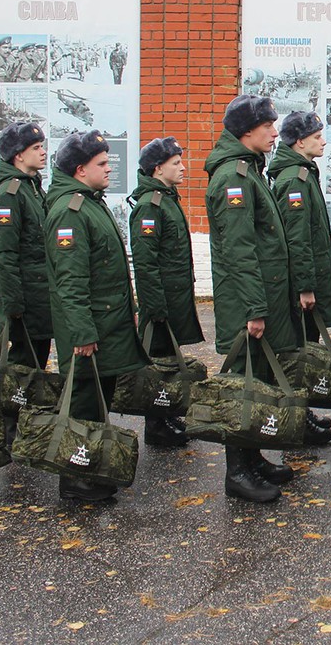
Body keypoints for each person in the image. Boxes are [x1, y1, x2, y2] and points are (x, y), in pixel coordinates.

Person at [206, 95, 328, 504]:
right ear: (246, 132)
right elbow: (239, 251)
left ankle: (253, 458)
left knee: (256, 381)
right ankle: (237, 472)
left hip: (263, 297)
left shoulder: (250, 170)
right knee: (242, 384)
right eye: (268, 127)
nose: (276, 133)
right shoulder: (234, 178)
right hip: (247, 303)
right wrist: (254, 310)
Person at [44, 130, 147, 503]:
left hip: (105, 322)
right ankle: (75, 479)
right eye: (102, 164)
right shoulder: (70, 211)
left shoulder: (89, 203)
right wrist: (82, 332)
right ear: (79, 169)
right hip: (89, 328)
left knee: (97, 396)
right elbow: (70, 281)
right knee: (84, 400)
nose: (109, 169)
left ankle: (89, 469)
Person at [268, 110, 331, 432]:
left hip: (308, 281)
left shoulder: (303, 174)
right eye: (316, 136)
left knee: (305, 347)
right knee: (299, 351)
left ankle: (303, 413)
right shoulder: (294, 181)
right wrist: (305, 287)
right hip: (301, 288)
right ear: (300, 142)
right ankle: (297, 420)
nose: (323, 141)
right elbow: (297, 239)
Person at [129, 136, 205, 448]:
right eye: (176, 163)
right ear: (158, 169)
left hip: (172, 299)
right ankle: (156, 425)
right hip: (160, 303)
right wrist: (155, 307)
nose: (183, 168)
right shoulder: (151, 206)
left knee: (168, 364)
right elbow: (145, 263)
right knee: (157, 367)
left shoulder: (166, 199)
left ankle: (165, 415)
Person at [0, 122, 52, 371]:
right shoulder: (10, 194)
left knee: (36, 364)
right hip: (24, 298)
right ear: (19, 155)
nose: (43, 152)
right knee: (21, 368)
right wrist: (13, 302)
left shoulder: (32, 189)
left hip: (38, 296)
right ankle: (13, 410)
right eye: (36, 147)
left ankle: (31, 409)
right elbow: (5, 253)